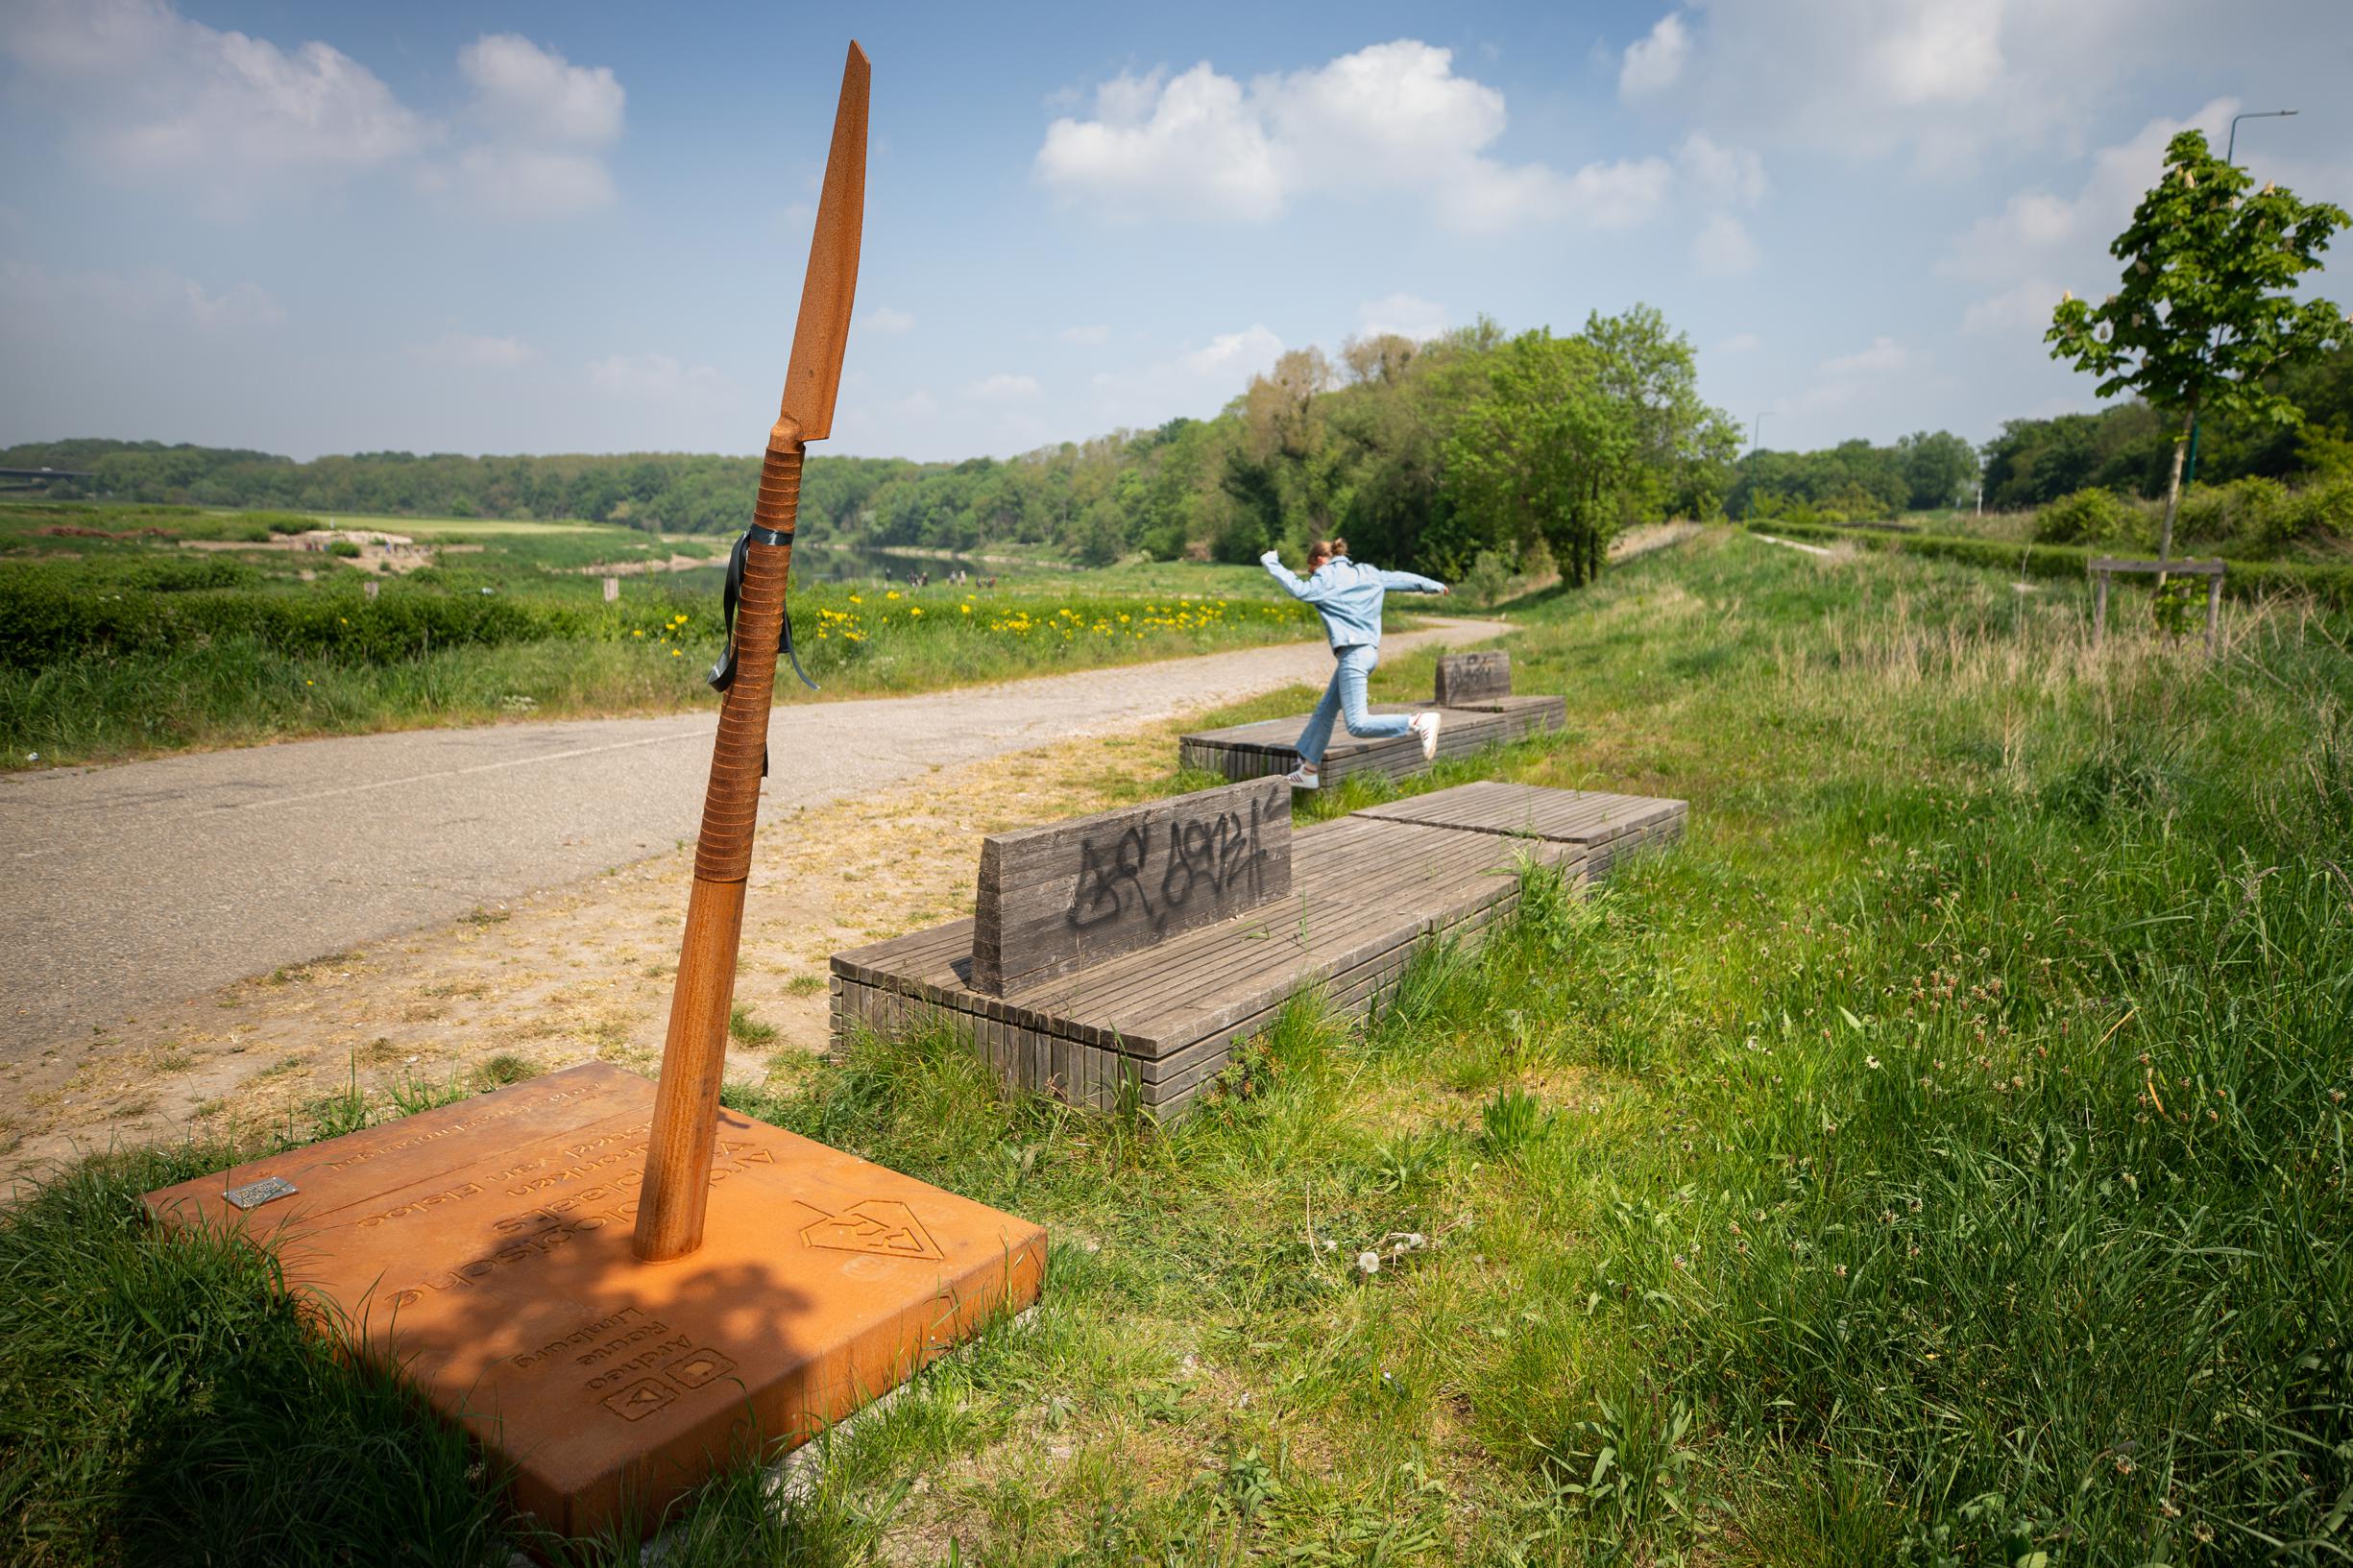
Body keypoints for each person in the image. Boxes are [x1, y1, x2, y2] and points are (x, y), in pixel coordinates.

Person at [1259, 537, 1449, 790]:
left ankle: (1417, 722)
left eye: (1312, 570)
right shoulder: (1367, 572)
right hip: (1368, 652)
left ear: (1320, 560)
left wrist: (1272, 562)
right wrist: (1433, 585)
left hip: (1353, 654)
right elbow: (1400, 578)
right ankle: (1309, 769)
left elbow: (1299, 589)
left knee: (1358, 723)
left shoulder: (1325, 577)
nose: (1313, 576)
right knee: (1326, 710)